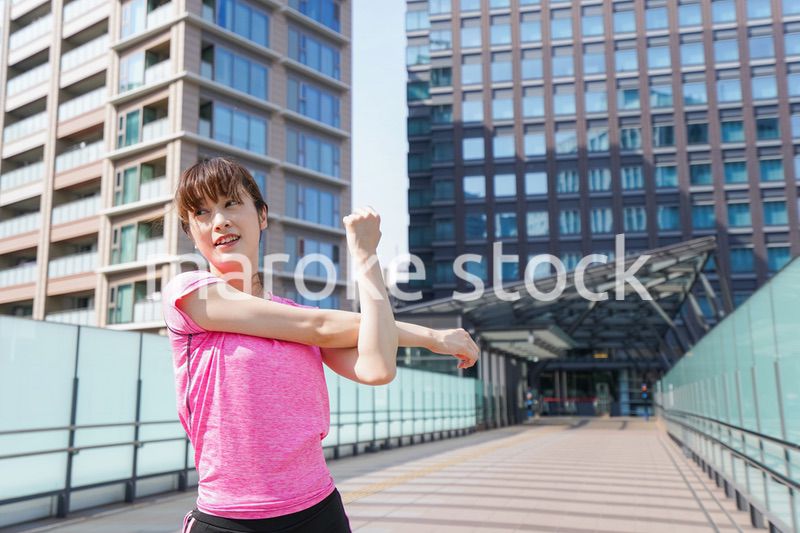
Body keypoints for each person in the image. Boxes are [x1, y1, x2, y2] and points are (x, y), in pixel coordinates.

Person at [162, 157, 480, 533]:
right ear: (191, 231)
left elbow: (376, 366)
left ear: (262, 215)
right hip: (228, 520)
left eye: (231, 203)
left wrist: (366, 259)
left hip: (318, 512)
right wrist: (431, 337)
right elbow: (322, 325)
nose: (219, 221)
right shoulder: (187, 296)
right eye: (201, 212)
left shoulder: (298, 321)